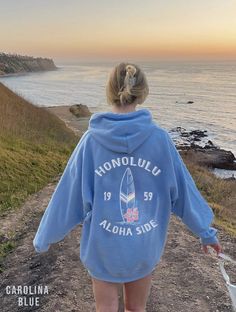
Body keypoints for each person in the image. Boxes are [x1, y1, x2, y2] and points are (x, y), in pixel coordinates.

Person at [33, 62, 223, 312]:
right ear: (142, 93)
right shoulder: (159, 139)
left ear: (110, 91)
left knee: (106, 308)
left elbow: (69, 195)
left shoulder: (91, 141)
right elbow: (183, 193)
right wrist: (206, 233)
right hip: (144, 246)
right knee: (136, 309)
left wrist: (44, 237)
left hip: (103, 248)